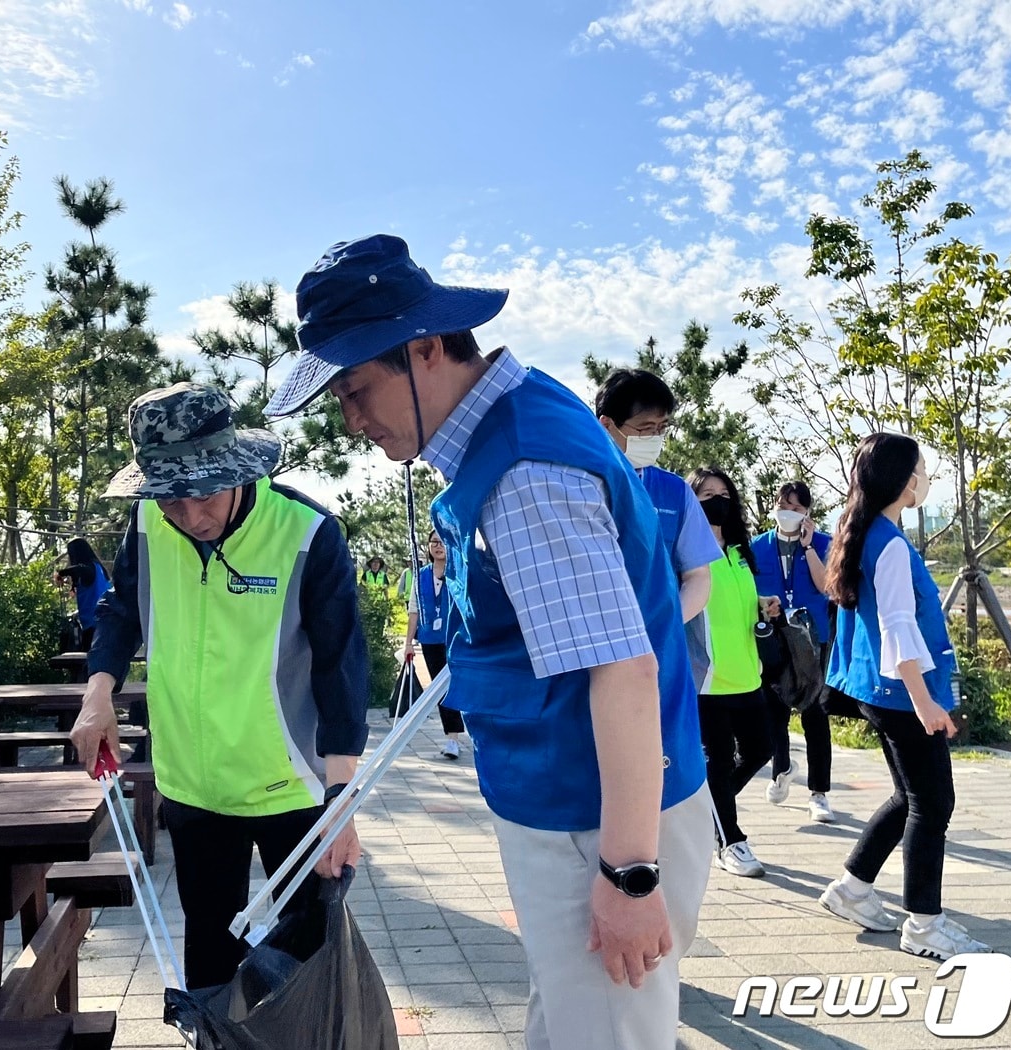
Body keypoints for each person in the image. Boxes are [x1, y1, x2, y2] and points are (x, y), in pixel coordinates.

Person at [267, 234, 711, 1050]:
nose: (352, 419)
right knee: (572, 1023)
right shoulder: (515, 418)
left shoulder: (525, 472)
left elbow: (623, 671)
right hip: (579, 805)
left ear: (425, 349)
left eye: (357, 388)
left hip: (595, 820)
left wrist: (629, 874)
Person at [68, 382, 370, 990]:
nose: (191, 516)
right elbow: (124, 608)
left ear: (236, 468)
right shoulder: (150, 520)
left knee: (306, 960)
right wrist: (98, 690)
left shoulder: (306, 533)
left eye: (203, 494)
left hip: (292, 788)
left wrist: (342, 802)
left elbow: (341, 666)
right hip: (192, 784)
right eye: (171, 499)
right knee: (209, 948)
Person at [817, 433, 990, 960]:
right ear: (902, 478)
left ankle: (852, 890)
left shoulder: (868, 532)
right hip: (901, 692)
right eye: (922, 468)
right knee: (933, 804)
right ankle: (925, 924)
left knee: (910, 797)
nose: (927, 477)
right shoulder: (888, 544)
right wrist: (925, 702)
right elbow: (896, 626)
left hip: (884, 689)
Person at [688, 467, 775, 879]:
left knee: (761, 750)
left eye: (724, 493)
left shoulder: (741, 551)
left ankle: (707, 809)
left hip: (747, 673)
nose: (717, 500)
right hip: (707, 678)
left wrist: (763, 603)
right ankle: (731, 841)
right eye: (707, 494)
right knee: (718, 763)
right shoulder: (684, 549)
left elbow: (736, 601)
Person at [594, 370, 720, 627]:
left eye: (661, 428)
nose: (655, 437)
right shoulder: (578, 486)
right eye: (645, 429)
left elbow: (697, 576)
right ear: (606, 425)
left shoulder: (675, 492)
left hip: (661, 646)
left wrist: (665, 626)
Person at [749, 481, 836, 824]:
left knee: (815, 712)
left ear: (808, 513)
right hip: (774, 636)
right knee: (774, 710)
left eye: (798, 509)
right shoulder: (756, 547)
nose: (790, 513)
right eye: (785, 505)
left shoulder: (824, 543)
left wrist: (810, 547)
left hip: (813, 638)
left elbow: (826, 586)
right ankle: (781, 768)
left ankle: (819, 793)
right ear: (775, 505)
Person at [401, 530, 465, 759]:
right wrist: (409, 643)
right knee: (442, 690)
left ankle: (472, 732)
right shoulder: (420, 576)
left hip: (456, 639)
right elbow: (413, 610)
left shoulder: (458, 572)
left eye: (442, 542)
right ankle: (452, 739)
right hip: (430, 639)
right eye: (434, 542)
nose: (438, 546)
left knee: (462, 685)